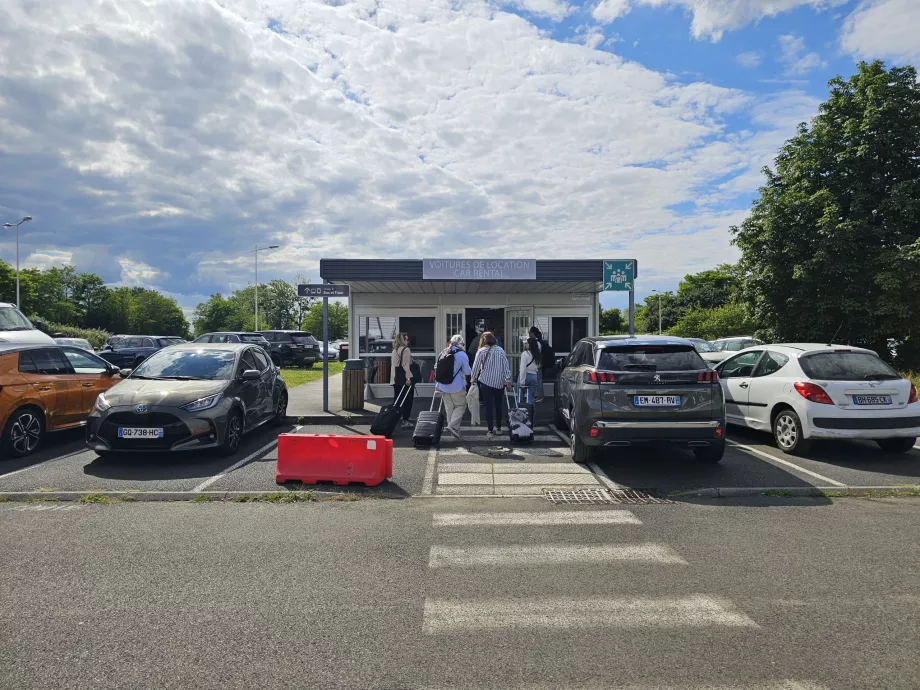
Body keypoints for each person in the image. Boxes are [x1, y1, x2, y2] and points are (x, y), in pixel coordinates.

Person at [470, 331, 512, 440]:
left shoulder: (481, 351)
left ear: (483, 340)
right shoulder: (501, 351)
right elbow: (506, 366)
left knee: (488, 406)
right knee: (498, 406)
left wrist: (473, 379)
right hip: (499, 383)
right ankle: (498, 428)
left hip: (486, 382)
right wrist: (508, 379)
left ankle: (490, 430)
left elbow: (475, 367)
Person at [434, 334, 472, 439]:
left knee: (449, 408)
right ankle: (452, 426)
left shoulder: (444, 352)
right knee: (461, 406)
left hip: (443, 385)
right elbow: (467, 371)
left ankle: (454, 430)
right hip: (456, 386)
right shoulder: (462, 355)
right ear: (461, 344)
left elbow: (436, 367)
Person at [391, 332, 415, 428]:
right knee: (407, 400)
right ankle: (405, 420)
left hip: (396, 378)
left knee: (397, 399)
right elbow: (406, 365)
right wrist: (408, 378)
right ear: (402, 340)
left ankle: (394, 418)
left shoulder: (394, 350)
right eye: (406, 339)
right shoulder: (406, 349)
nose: (408, 341)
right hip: (404, 378)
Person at [518, 337, 541, 405]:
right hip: (534, 375)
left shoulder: (525, 354)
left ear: (530, 344)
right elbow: (538, 366)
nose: (525, 344)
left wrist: (522, 381)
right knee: (531, 398)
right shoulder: (537, 354)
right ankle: (531, 414)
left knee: (520, 398)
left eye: (527, 343)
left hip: (525, 375)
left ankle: (519, 414)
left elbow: (523, 368)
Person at [529, 325, 548, 402]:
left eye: (530, 332)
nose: (529, 334)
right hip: (539, 363)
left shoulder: (534, 343)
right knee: (538, 380)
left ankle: (539, 396)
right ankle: (539, 395)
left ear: (533, 333)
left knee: (538, 380)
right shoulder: (539, 342)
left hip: (535, 364)